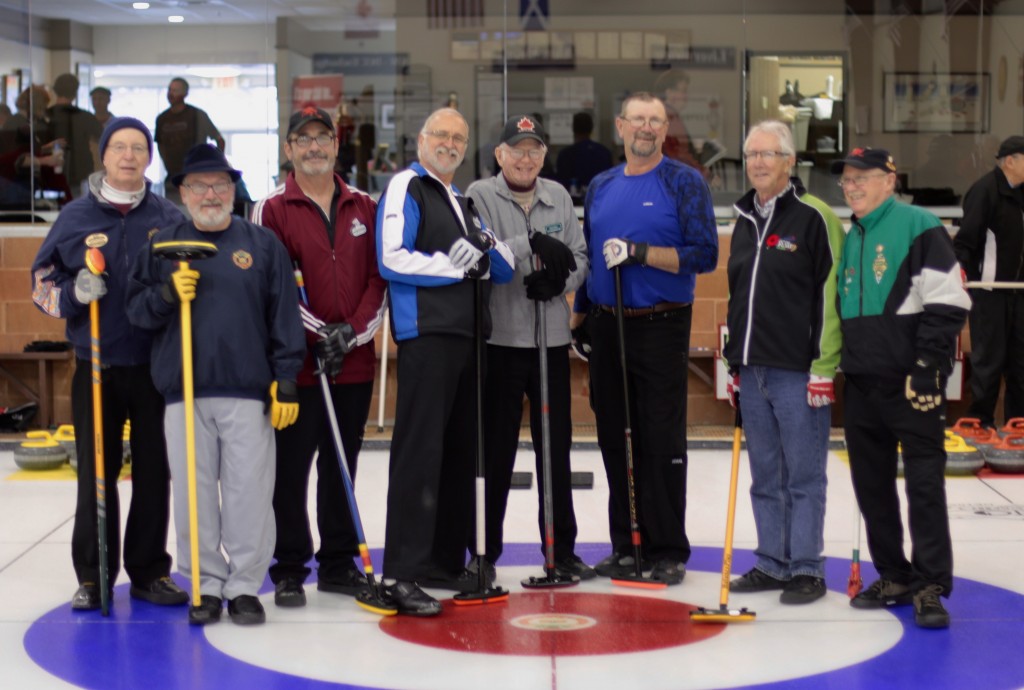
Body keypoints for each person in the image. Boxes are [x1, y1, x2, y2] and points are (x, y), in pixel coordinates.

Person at [126, 143, 305, 626]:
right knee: (194, 494)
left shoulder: (263, 245)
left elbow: (284, 317)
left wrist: (286, 379)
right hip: (183, 391)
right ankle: (204, 585)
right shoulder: (162, 245)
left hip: (248, 391)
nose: (211, 194)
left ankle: (245, 586)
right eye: (200, 185)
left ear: (233, 190)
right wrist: (166, 294)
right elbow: (135, 310)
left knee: (249, 492)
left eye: (220, 184)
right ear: (183, 192)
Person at [30, 117, 188, 611]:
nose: (128, 156)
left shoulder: (167, 215)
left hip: (153, 367)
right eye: (118, 147)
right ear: (103, 156)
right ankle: (94, 575)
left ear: (149, 157)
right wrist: (73, 295)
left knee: (154, 472)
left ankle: (148, 572)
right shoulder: (76, 216)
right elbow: (40, 284)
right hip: (95, 365)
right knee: (95, 474)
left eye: (138, 147)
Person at [570, 92, 718, 585]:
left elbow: (704, 254)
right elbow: (592, 254)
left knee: (660, 439)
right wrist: (581, 317)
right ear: (620, 126)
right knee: (614, 437)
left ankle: (667, 549)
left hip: (660, 325)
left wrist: (641, 253)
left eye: (656, 120)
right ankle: (624, 545)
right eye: (638, 119)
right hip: (608, 326)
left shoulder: (683, 181)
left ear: (664, 127)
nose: (647, 128)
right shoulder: (601, 185)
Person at [376, 107, 515, 615]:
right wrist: (455, 270)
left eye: (459, 137)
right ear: (422, 139)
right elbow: (392, 256)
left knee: (459, 456)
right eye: (441, 134)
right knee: (418, 456)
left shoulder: (463, 199)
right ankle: (401, 574)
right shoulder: (406, 188)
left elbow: (502, 265)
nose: (450, 143)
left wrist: (482, 252)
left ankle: (439, 559)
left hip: (469, 340)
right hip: (428, 336)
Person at [251, 106, 387, 608]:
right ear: (288, 149)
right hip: (295, 367)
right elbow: (276, 291)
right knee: (290, 471)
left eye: (321, 138)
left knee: (341, 466)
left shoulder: (366, 206)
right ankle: (289, 567)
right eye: (302, 139)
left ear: (336, 145)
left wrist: (348, 336)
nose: (313, 147)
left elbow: (379, 283)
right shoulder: (271, 210)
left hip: (352, 364)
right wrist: (319, 335)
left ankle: (336, 562)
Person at [833, 147, 971, 629]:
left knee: (924, 487)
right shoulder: (853, 236)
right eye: (846, 180)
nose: (851, 187)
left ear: (889, 180)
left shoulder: (919, 225)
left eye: (861, 178)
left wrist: (927, 365)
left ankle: (931, 584)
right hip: (862, 384)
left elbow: (949, 302)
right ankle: (894, 575)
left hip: (912, 385)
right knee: (871, 487)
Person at [465, 114, 593, 583]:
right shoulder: (480, 195)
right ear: (500, 155)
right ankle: (483, 553)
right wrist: (527, 244)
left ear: (543, 155)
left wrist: (562, 279)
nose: (525, 158)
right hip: (500, 343)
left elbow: (581, 258)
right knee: (494, 454)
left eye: (534, 149)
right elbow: (480, 253)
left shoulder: (558, 195)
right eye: (516, 149)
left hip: (550, 342)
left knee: (554, 453)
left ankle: (561, 551)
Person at [722, 120, 845, 605]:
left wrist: (824, 366)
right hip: (753, 371)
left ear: (790, 162)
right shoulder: (744, 219)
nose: (757, 163)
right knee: (765, 473)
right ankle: (772, 561)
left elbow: (832, 294)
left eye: (768, 154)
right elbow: (738, 299)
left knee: (804, 474)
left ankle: (807, 567)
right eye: (751, 154)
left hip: (799, 371)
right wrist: (735, 363)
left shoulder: (815, 217)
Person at [952, 135, 1024, 429]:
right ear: (1011, 161)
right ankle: (979, 425)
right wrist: (960, 274)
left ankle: (1018, 426)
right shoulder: (983, 191)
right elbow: (966, 241)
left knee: (1020, 366)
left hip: (1020, 293)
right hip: (990, 293)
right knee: (988, 365)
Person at [154, 77, 225, 205]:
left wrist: (216, 166)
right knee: (173, 214)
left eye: (175, 90)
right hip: (172, 179)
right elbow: (160, 145)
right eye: (169, 90)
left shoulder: (197, 115)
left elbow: (220, 140)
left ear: (184, 94)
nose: (170, 94)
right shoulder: (162, 119)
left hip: (196, 177)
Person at [46, 73, 102, 197]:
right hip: (78, 172)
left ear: (55, 90)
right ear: (75, 92)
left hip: (47, 172)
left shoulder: (45, 116)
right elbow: (102, 138)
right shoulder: (86, 117)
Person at [654, 69, 706, 178]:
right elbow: (678, 156)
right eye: (684, 91)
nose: (686, 96)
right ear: (669, 93)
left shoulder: (664, 116)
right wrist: (705, 174)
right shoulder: (670, 118)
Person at [555, 111, 613, 198]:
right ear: (591, 128)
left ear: (573, 128)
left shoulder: (565, 155)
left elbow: (560, 185)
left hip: (572, 203)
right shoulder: (604, 153)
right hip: (598, 201)